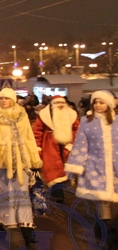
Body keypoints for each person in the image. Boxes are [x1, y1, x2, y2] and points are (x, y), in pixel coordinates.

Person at [0, 87, 43, 247]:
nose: (3, 101)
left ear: (13, 100)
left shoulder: (21, 114)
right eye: (1, 98)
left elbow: (29, 138)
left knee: (22, 194)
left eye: (7, 98)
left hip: (20, 159)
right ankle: (1, 221)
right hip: (0, 160)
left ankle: (27, 229)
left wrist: (35, 161)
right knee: (2, 194)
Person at [64, 90, 117, 239]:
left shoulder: (117, 122)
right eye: (96, 102)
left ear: (109, 104)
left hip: (115, 167)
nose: (98, 105)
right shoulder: (87, 122)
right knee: (103, 201)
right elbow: (81, 145)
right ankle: (103, 231)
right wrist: (76, 167)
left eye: (102, 102)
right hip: (95, 166)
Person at [33, 95, 80, 202]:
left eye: (62, 103)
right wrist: (38, 146)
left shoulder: (71, 115)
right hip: (49, 146)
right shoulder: (44, 116)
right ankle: (57, 193)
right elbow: (37, 131)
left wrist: (72, 142)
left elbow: (77, 129)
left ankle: (61, 190)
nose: (60, 106)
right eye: (57, 103)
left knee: (66, 170)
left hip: (67, 146)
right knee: (52, 169)